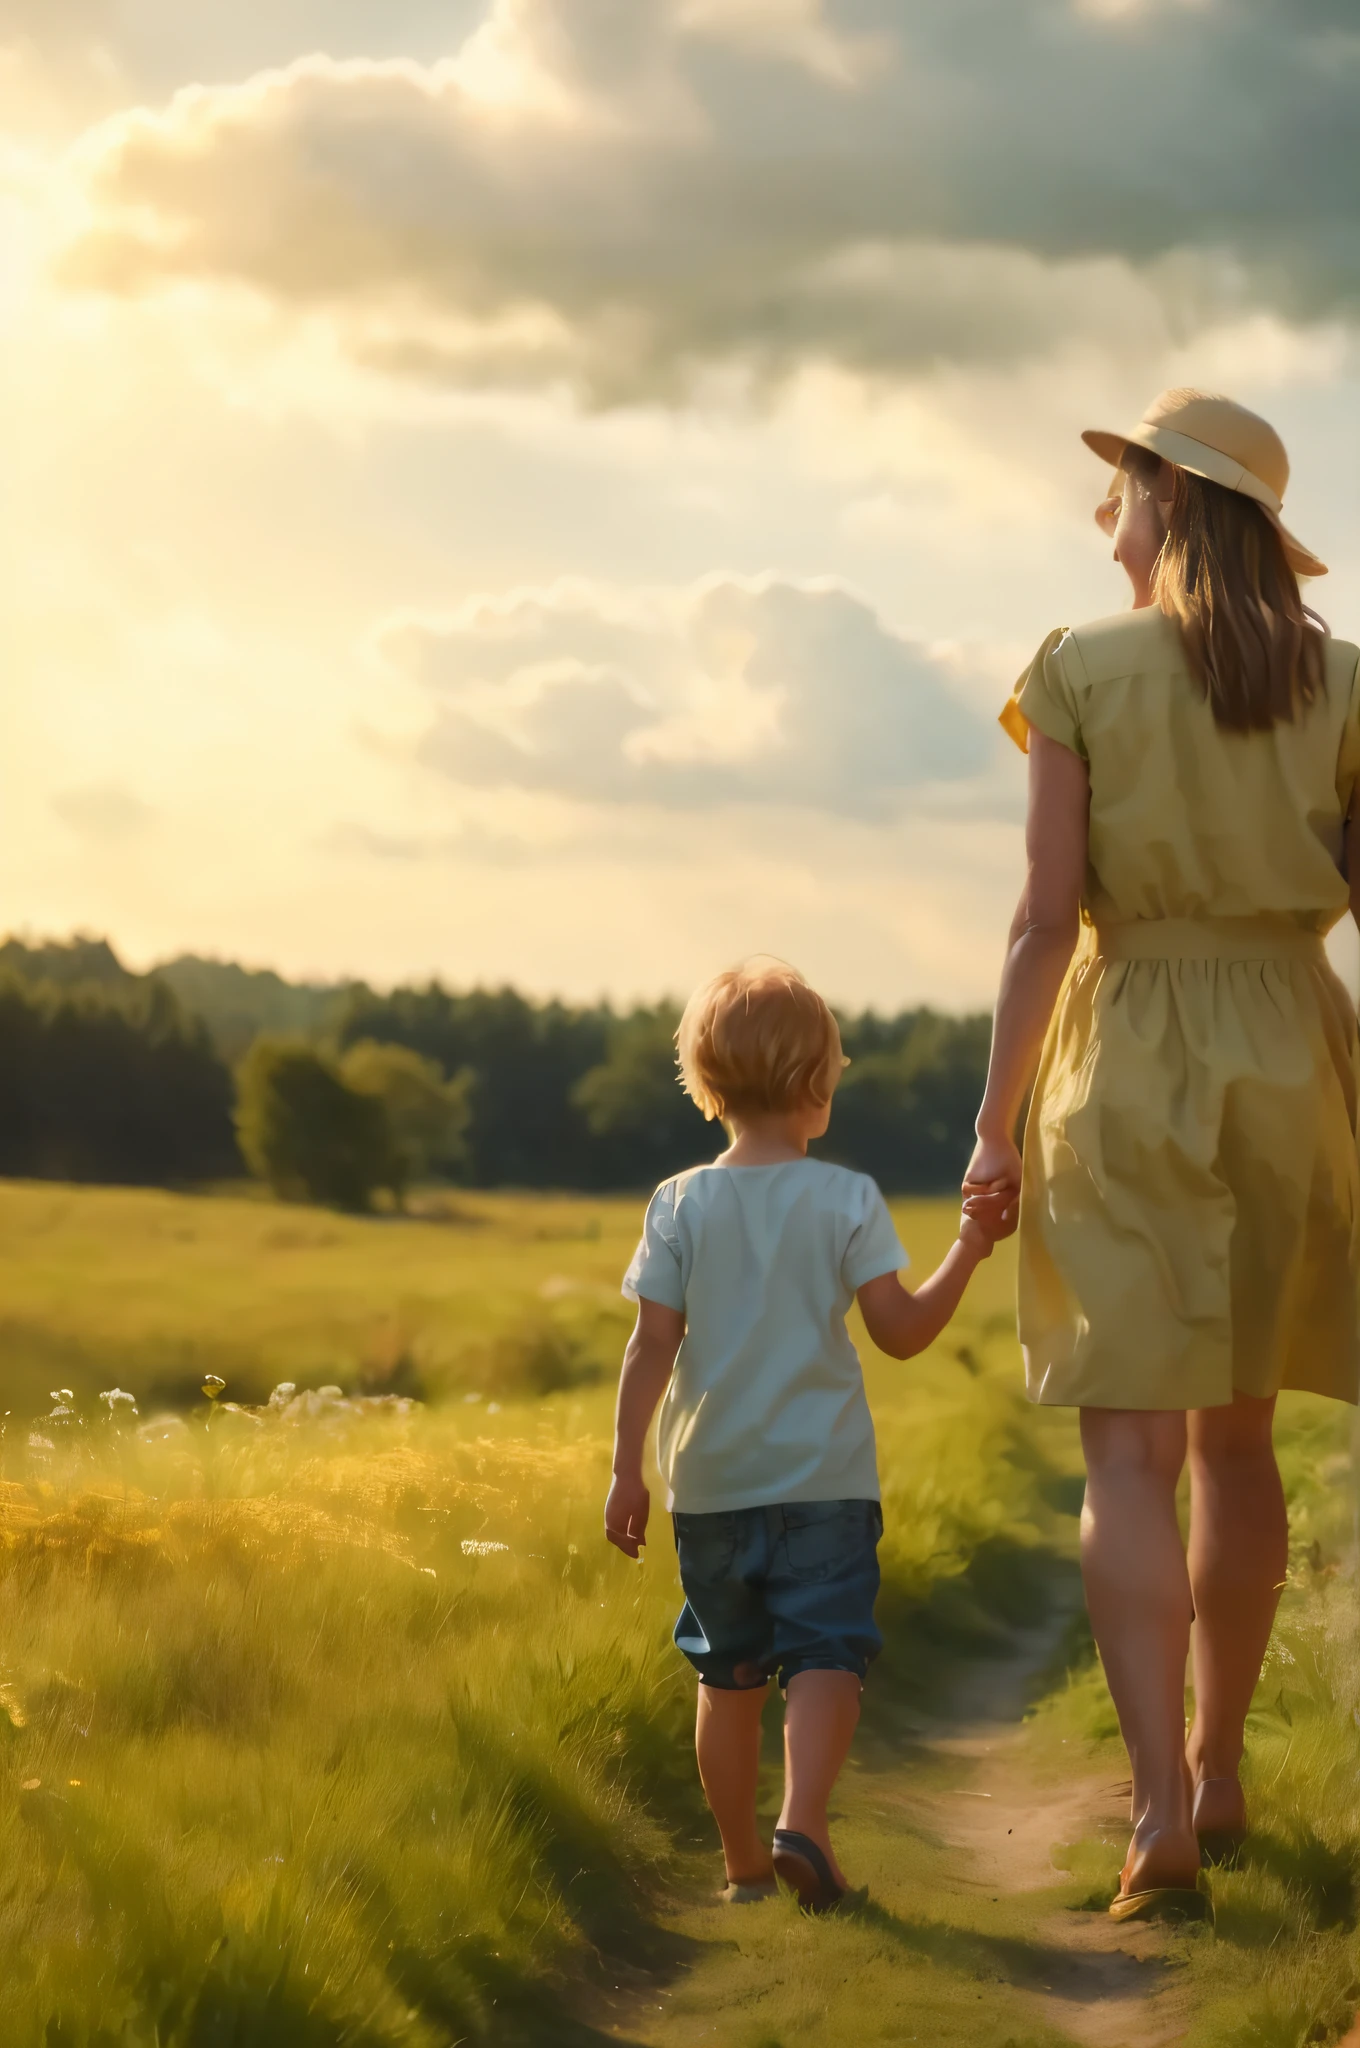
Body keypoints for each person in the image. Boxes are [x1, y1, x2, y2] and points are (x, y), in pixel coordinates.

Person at [964, 387, 1360, 1922]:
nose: (1100, 518)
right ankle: (1219, 1767)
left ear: (1166, 503)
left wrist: (992, 1132)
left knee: (1129, 1453)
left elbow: (1043, 921)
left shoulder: (1076, 668)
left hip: (1125, 1054)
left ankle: (1151, 1817)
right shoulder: (1348, 685)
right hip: (1291, 1061)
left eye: (1115, 489)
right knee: (1238, 1442)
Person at [604, 957, 1005, 1912]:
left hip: (709, 1485)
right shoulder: (847, 1199)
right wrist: (970, 1248)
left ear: (706, 1084)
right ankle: (805, 1823)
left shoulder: (676, 1203)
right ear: (819, 1086)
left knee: (727, 1676)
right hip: (825, 1482)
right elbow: (902, 1335)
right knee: (828, 1655)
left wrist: (628, 1473)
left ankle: (744, 1867)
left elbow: (648, 1346)